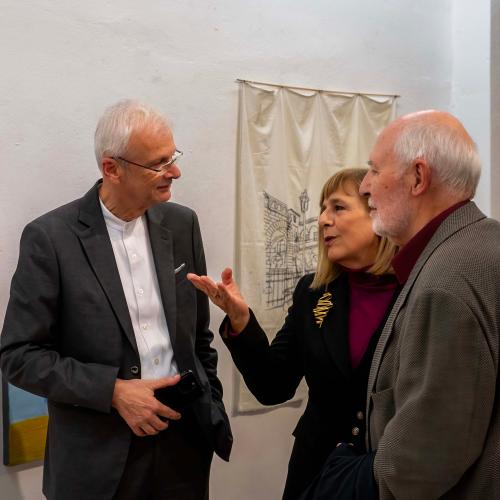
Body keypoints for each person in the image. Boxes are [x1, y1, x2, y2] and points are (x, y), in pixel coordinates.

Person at [0, 99, 232, 500]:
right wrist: (112, 391)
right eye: (159, 163)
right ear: (112, 168)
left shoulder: (182, 223)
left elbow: (198, 337)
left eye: (173, 157)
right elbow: (18, 356)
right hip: (97, 452)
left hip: (183, 443)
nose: (175, 172)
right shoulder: (51, 238)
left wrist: (210, 402)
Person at [304, 110, 500, 499]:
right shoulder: (482, 245)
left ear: (418, 178)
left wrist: (349, 478)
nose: (366, 186)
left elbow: (423, 460)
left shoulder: (445, 282)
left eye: (375, 170)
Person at [188, 168, 399, 499]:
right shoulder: (313, 292)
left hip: (390, 474)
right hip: (318, 472)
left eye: (338, 207)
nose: (323, 220)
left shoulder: (417, 290)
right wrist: (241, 321)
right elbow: (273, 386)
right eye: (322, 209)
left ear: (379, 214)